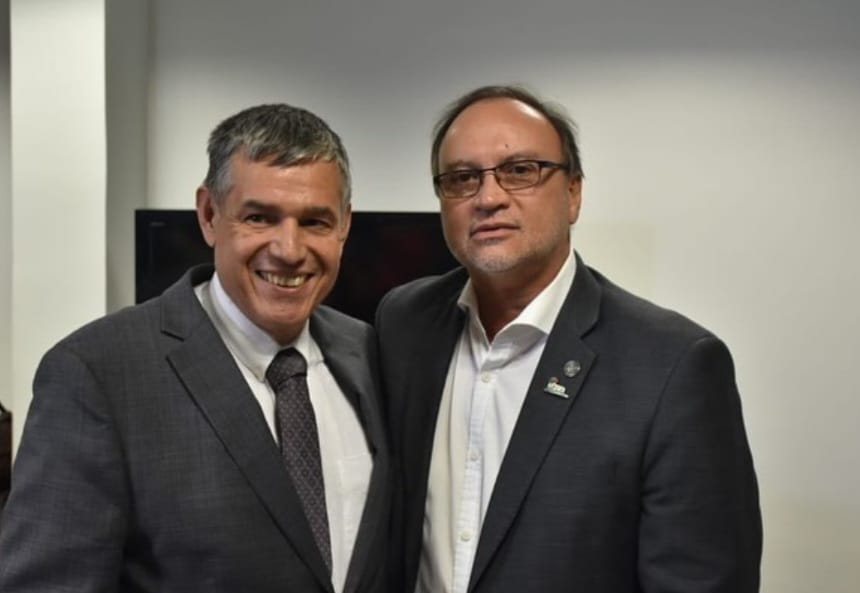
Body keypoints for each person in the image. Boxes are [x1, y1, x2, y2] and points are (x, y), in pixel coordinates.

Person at [376, 85, 762, 593]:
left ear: (573, 193)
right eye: (462, 178)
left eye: (520, 170)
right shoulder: (404, 323)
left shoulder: (673, 367)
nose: (488, 198)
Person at [0, 104, 391, 593]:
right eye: (259, 217)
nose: (289, 250)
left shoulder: (373, 355)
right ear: (209, 215)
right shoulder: (97, 374)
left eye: (315, 221)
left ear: (345, 225)